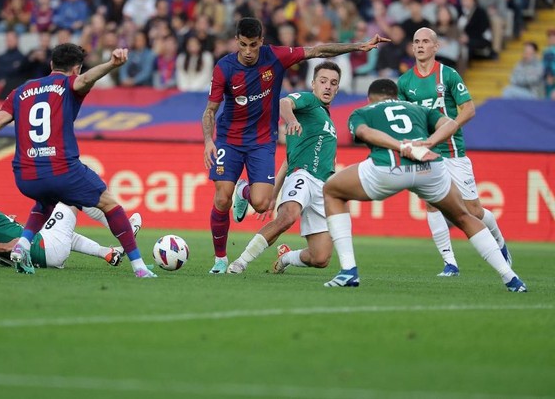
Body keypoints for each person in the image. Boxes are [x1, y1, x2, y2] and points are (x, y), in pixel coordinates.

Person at [202, 17, 389, 274]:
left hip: (261, 141)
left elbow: (318, 50)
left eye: (253, 45)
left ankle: (243, 191)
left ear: (262, 42)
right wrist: (208, 141)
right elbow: (211, 110)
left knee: (261, 203)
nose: (247, 51)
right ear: (236, 41)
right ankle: (221, 259)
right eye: (243, 45)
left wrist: (359, 46)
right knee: (222, 198)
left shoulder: (275, 57)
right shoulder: (224, 67)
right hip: (229, 138)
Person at [0, 43, 157, 278]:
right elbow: (85, 81)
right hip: (61, 168)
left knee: (45, 202)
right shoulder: (69, 83)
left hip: (25, 175)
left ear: (51, 64)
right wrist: (112, 64)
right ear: (76, 69)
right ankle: (139, 267)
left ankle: (23, 244)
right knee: (109, 204)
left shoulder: (21, 91)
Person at [323, 79, 527, 292]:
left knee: (332, 190)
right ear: (397, 97)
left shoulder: (362, 111)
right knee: (464, 216)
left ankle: (348, 271)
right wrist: (429, 142)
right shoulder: (419, 109)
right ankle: (510, 277)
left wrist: (401, 146)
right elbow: (450, 124)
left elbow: (364, 133)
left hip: (389, 169)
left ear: (369, 98)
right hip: (430, 168)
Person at [397, 27, 512, 277]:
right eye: (416, 41)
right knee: (431, 205)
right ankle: (450, 263)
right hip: (426, 154)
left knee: (473, 211)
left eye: (426, 41)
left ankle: (500, 244)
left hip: (452, 151)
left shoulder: (448, 75)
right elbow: (403, 117)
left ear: (436, 47)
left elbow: (469, 110)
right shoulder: (404, 82)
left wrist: (446, 129)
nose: (420, 45)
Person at [226, 61, 341, 275]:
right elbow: (283, 103)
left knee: (321, 258)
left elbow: (288, 158)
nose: (328, 87)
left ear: (337, 88)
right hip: (303, 175)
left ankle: (286, 257)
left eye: (333, 83)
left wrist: (274, 194)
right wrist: (291, 121)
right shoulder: (308, 101)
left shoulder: (328, 121)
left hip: (323, 188)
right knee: (288, 216)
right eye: (323, 81)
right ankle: (240, 262)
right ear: (313, 83)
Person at [0, 167, 142, 269]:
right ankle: (124, 229)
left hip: (45, 251)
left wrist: (2, 235)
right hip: (45, 249)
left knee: (60, 228)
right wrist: (7, 245)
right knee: (73, 194)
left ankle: (106, 253)